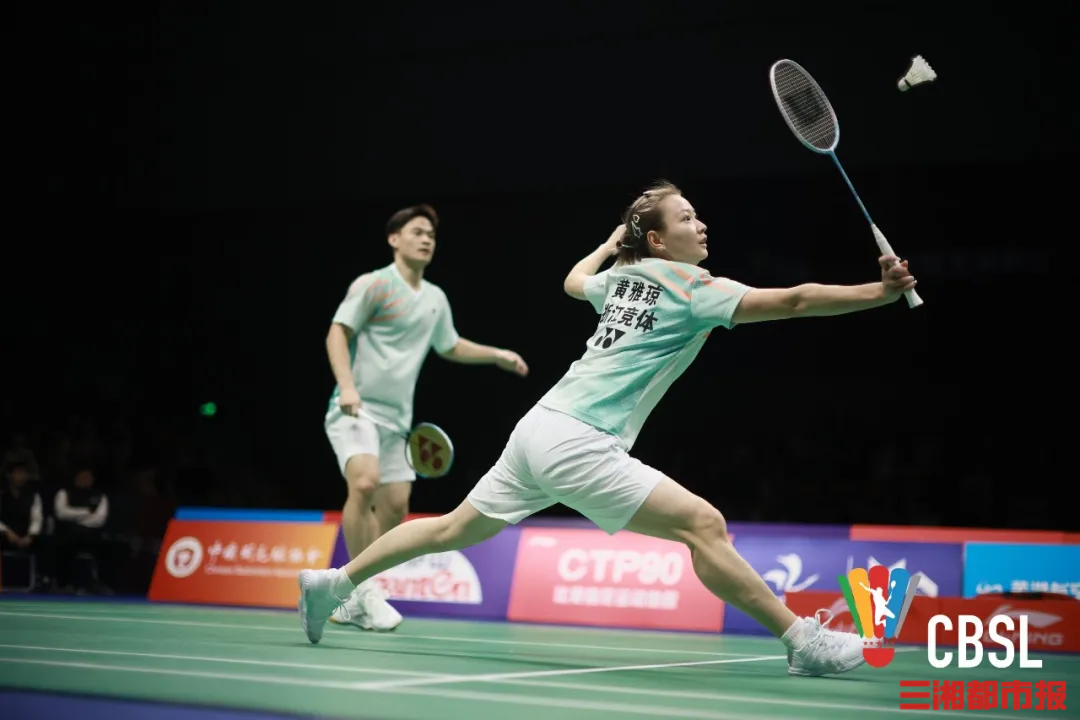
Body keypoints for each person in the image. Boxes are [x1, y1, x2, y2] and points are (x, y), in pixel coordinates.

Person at [300, 181, 917, 676]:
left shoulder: (622, 279)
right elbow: (795, 300)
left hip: (538, 428)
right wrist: (880, 293)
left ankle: (333, 583)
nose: (701, 225)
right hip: (580, 440)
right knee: (704, 525)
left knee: (451, 528)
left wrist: (608, 243)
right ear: (658, 239)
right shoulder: (694, 287)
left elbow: (573, 281)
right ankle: (803, 641)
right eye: (687, 218)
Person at [324, 203, 530, 632]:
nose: (426, 240)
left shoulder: (435, 298)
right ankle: (362, 591)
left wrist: (496, 355)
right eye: (417, 232)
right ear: (394, 239)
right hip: (355, 408)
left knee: (396, 506)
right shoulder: (374, 285)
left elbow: (449, 345)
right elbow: (337, 332)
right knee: (364, 483)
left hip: (399, 422)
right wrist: (346, 386)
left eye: (431, 236)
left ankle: (351, 595)